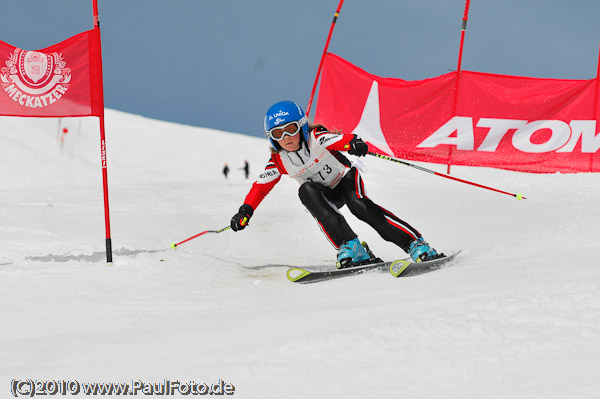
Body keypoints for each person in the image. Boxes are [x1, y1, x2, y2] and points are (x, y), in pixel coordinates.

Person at [230, 100, 441, 268]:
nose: (285, 137)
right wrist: (245, 211)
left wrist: (353, 143)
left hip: (345, 180)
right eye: (278, 133)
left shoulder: (316, 137)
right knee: (306, 191)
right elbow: (260, 187)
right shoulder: (278, 160)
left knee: (358, 205)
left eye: (290, 129)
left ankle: (415, 243)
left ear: (302, 126)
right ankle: (352, 246)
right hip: (326, 196)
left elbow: (338, 139)